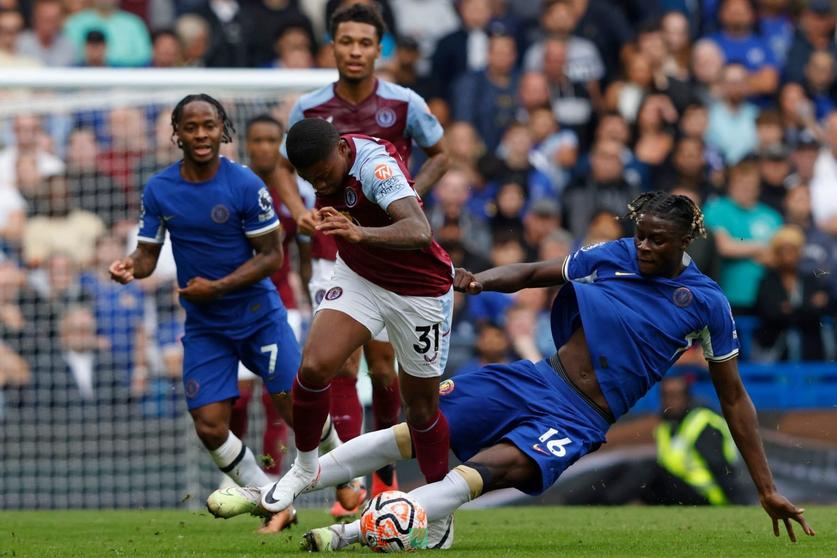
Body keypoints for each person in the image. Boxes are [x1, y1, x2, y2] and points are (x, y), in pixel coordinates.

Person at [207, 191, 814, 551]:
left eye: (658, 240)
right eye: (641, 235)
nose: (645, 247)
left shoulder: (707, 302)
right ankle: (273, 492)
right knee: (416, 434)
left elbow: (734, 399)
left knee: (491, 469)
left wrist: (764, 487)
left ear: (686, 240)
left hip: (581, 417)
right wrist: (475, 280)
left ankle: (361, 530)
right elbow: (532, 273)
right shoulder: (614, 257)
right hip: (533, 378)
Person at [273, 2, 449, 503]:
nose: (354, 51)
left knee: (384, 366)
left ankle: (388, 477)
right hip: (336, 247)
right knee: (335, 363)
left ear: (378, 49)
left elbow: (442, 154)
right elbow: (286, 168)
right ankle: (346, 482)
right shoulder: (307, 108)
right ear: (333, 46)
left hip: (398, 251)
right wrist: (299, 210)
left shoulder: (404, 103)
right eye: (346, 41)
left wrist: (406, 195)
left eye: (364, 43)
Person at [108, 94, 304, 530]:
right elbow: (146, 255)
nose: (200, 134)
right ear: (176, 133)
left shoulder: (245, 184)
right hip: (206, 326)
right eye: (191, 127)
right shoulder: (160, 188)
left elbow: (271, 256)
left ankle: (344, 473)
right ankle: (271, 499)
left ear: (223, 130)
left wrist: (216, 286)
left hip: (259, 316)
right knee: (210, 426)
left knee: (296, 408)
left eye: (209, 126)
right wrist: (129, 268)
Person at [251, 117, 454, 518]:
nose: (322, 187)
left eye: (325, 176)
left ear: (342, 150)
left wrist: (361, 234)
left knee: (421, 410)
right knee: (314, 367)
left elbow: (418, 229)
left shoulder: (374, 166)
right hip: (360, 276)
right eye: (312, 181)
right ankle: (306, 466)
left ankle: (438, 509)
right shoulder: (318, 164)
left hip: (419, 291)